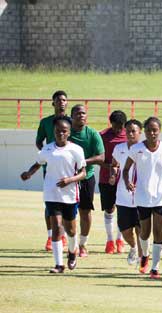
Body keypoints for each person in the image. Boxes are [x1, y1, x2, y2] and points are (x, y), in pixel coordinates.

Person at [122, 117, 162, 279]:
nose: (152, 133)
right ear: (144, 131)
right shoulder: (136, 149)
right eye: (149, 130)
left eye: (155, 130)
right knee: (145, 231)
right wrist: (128, 182)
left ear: (159, 131)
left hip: (160, 197)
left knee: (158, 230)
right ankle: (145, 254)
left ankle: (155, 267)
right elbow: (126, 170)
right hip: (142, 196)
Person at [20, 116, 86, 273]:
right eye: (58, 131)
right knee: (56, 226)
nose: (60, 134)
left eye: (64, 131)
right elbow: (38, 163)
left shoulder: (76, 150)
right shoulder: (47, 149)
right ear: (54, 132)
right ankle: (59, 264)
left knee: (70, 230)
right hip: (51, 193)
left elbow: (83, 173)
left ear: (69, 132)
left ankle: (72, 252)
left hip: (70, 195)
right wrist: (28, 173)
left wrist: (70, 180)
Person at [64, 104, 105, 259]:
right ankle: (69, 243)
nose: (81, 115)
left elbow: (101, 157)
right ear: (71, 116)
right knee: (65, 212)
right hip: (67, 179)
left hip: (86, 178)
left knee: (85, 211)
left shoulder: (92, 134)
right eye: (77, 113)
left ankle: (83, 244)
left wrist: (81, 162)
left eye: (83, 113)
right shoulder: (65, 133)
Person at [35, 90, 71, 251]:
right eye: (58, 100)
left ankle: (62, 236)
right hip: (50, 169)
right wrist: (48, 156)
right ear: (53, 103)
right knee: (50, 203)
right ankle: (51, 236)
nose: (61, 102)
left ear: (67, 103)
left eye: (64, 100)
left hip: (68, 170)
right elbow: (38, 142)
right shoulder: (45, 122)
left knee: (66, 202)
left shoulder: (71, 121)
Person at [111, 119, 144, 267]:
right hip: (123, 196)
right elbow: (114, 165)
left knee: (140, 229)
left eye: (133, 131)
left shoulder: (145, 149)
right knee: (125, 230)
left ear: (140, 132)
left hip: (141, 197)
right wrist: (113, 174)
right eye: (128, 131)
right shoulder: (119, 148)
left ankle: (143, 258)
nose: (130, 134)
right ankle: (133, 247)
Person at [98, 110, 127, 255]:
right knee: (109, 209)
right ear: (111, 123)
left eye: (120, 126)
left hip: (124, 179)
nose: (118, 129)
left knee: (122, 208)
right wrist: (109, 167)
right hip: (106, 178)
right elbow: (98, 158)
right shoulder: (102, 136)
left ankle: (119, 239)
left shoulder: (129, 136)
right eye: (115, 126)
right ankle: (109, 241)